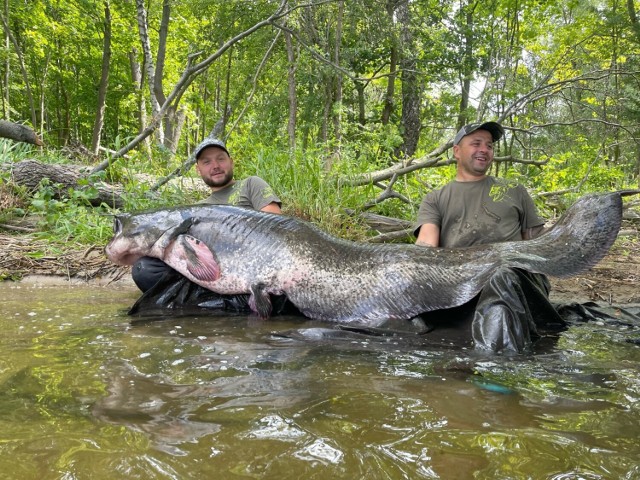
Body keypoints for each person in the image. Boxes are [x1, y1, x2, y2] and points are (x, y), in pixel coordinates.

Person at [413, 121, 565, 354]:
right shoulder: (435, 198)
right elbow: (425, 246)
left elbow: (536, 245)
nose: (484, 149)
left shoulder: (515, 190)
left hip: (515, 276)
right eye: (476, 143)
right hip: (461, 280)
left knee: (501, 275)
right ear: (457, 151)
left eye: (489, 145)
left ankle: (496, 366)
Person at [128, 138, 293, 316]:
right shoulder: (196, 209)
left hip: (257, 268)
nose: (215, 165)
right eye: (207, 162)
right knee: (145, 269)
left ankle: (214, 304)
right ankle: (229, 302)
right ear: (198, 169)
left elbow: (276, 228)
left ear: (231, 162)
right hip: (210, 275)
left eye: (220, 159)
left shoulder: (251, 184)